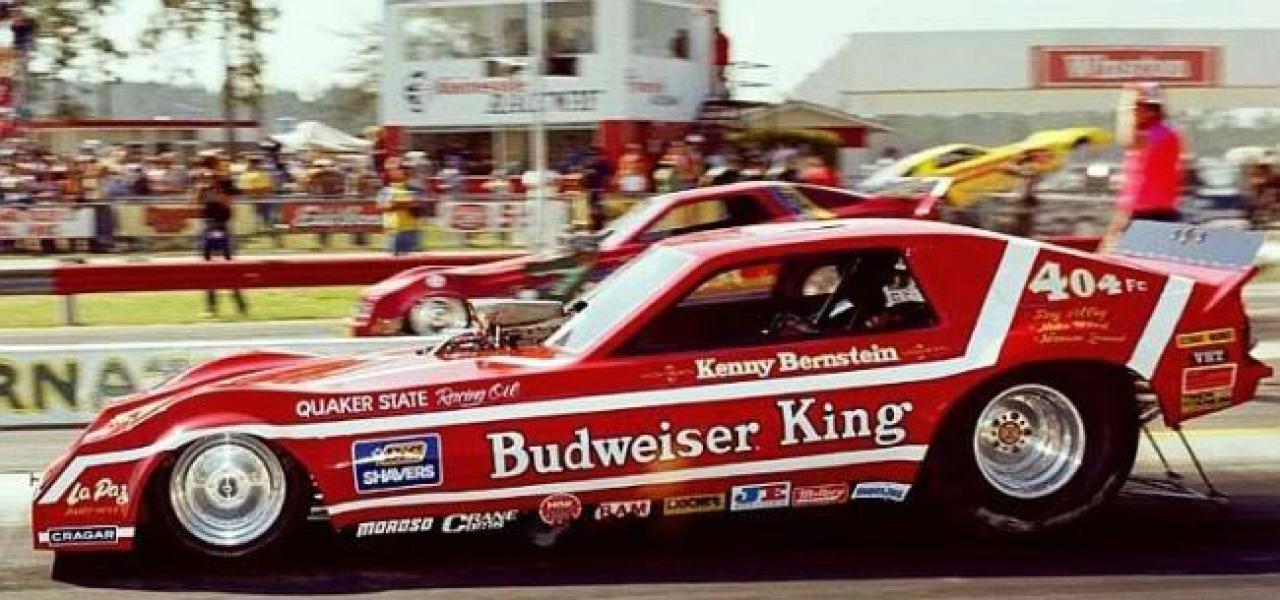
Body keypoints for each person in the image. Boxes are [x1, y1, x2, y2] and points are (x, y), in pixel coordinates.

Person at [1104, 82, 1184, 246]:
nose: (1132, 114)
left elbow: (1130, 139)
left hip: (1151, 210)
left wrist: (1130, 97)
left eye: (1136, 109)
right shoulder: (1156, 134)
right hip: (1139, 208)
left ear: (1150, 111)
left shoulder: (1161, 134)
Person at [193, 155, 248, 317]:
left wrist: (216, 187)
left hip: (222, 226)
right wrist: (202, 188)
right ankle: (211, 307)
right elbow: (195, 202)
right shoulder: (203, 183)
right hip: (208, 226)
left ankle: (240, 305)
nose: (207, 170)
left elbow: (227, 203)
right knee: (207, 268)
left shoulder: (225, 181)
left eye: (209, 166)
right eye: (205, 166)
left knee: (229, 267)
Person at [377, 158, 420, 256]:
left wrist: (409, 205)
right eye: (400, 168)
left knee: (410, 259)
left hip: (409, 230)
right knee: (393, 258)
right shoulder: (386, 190)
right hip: (392, 230)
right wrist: (399, 205)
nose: (404, 171)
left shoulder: (412, 188)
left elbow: (418, 206)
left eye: (404, 168)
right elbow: (381, 206)